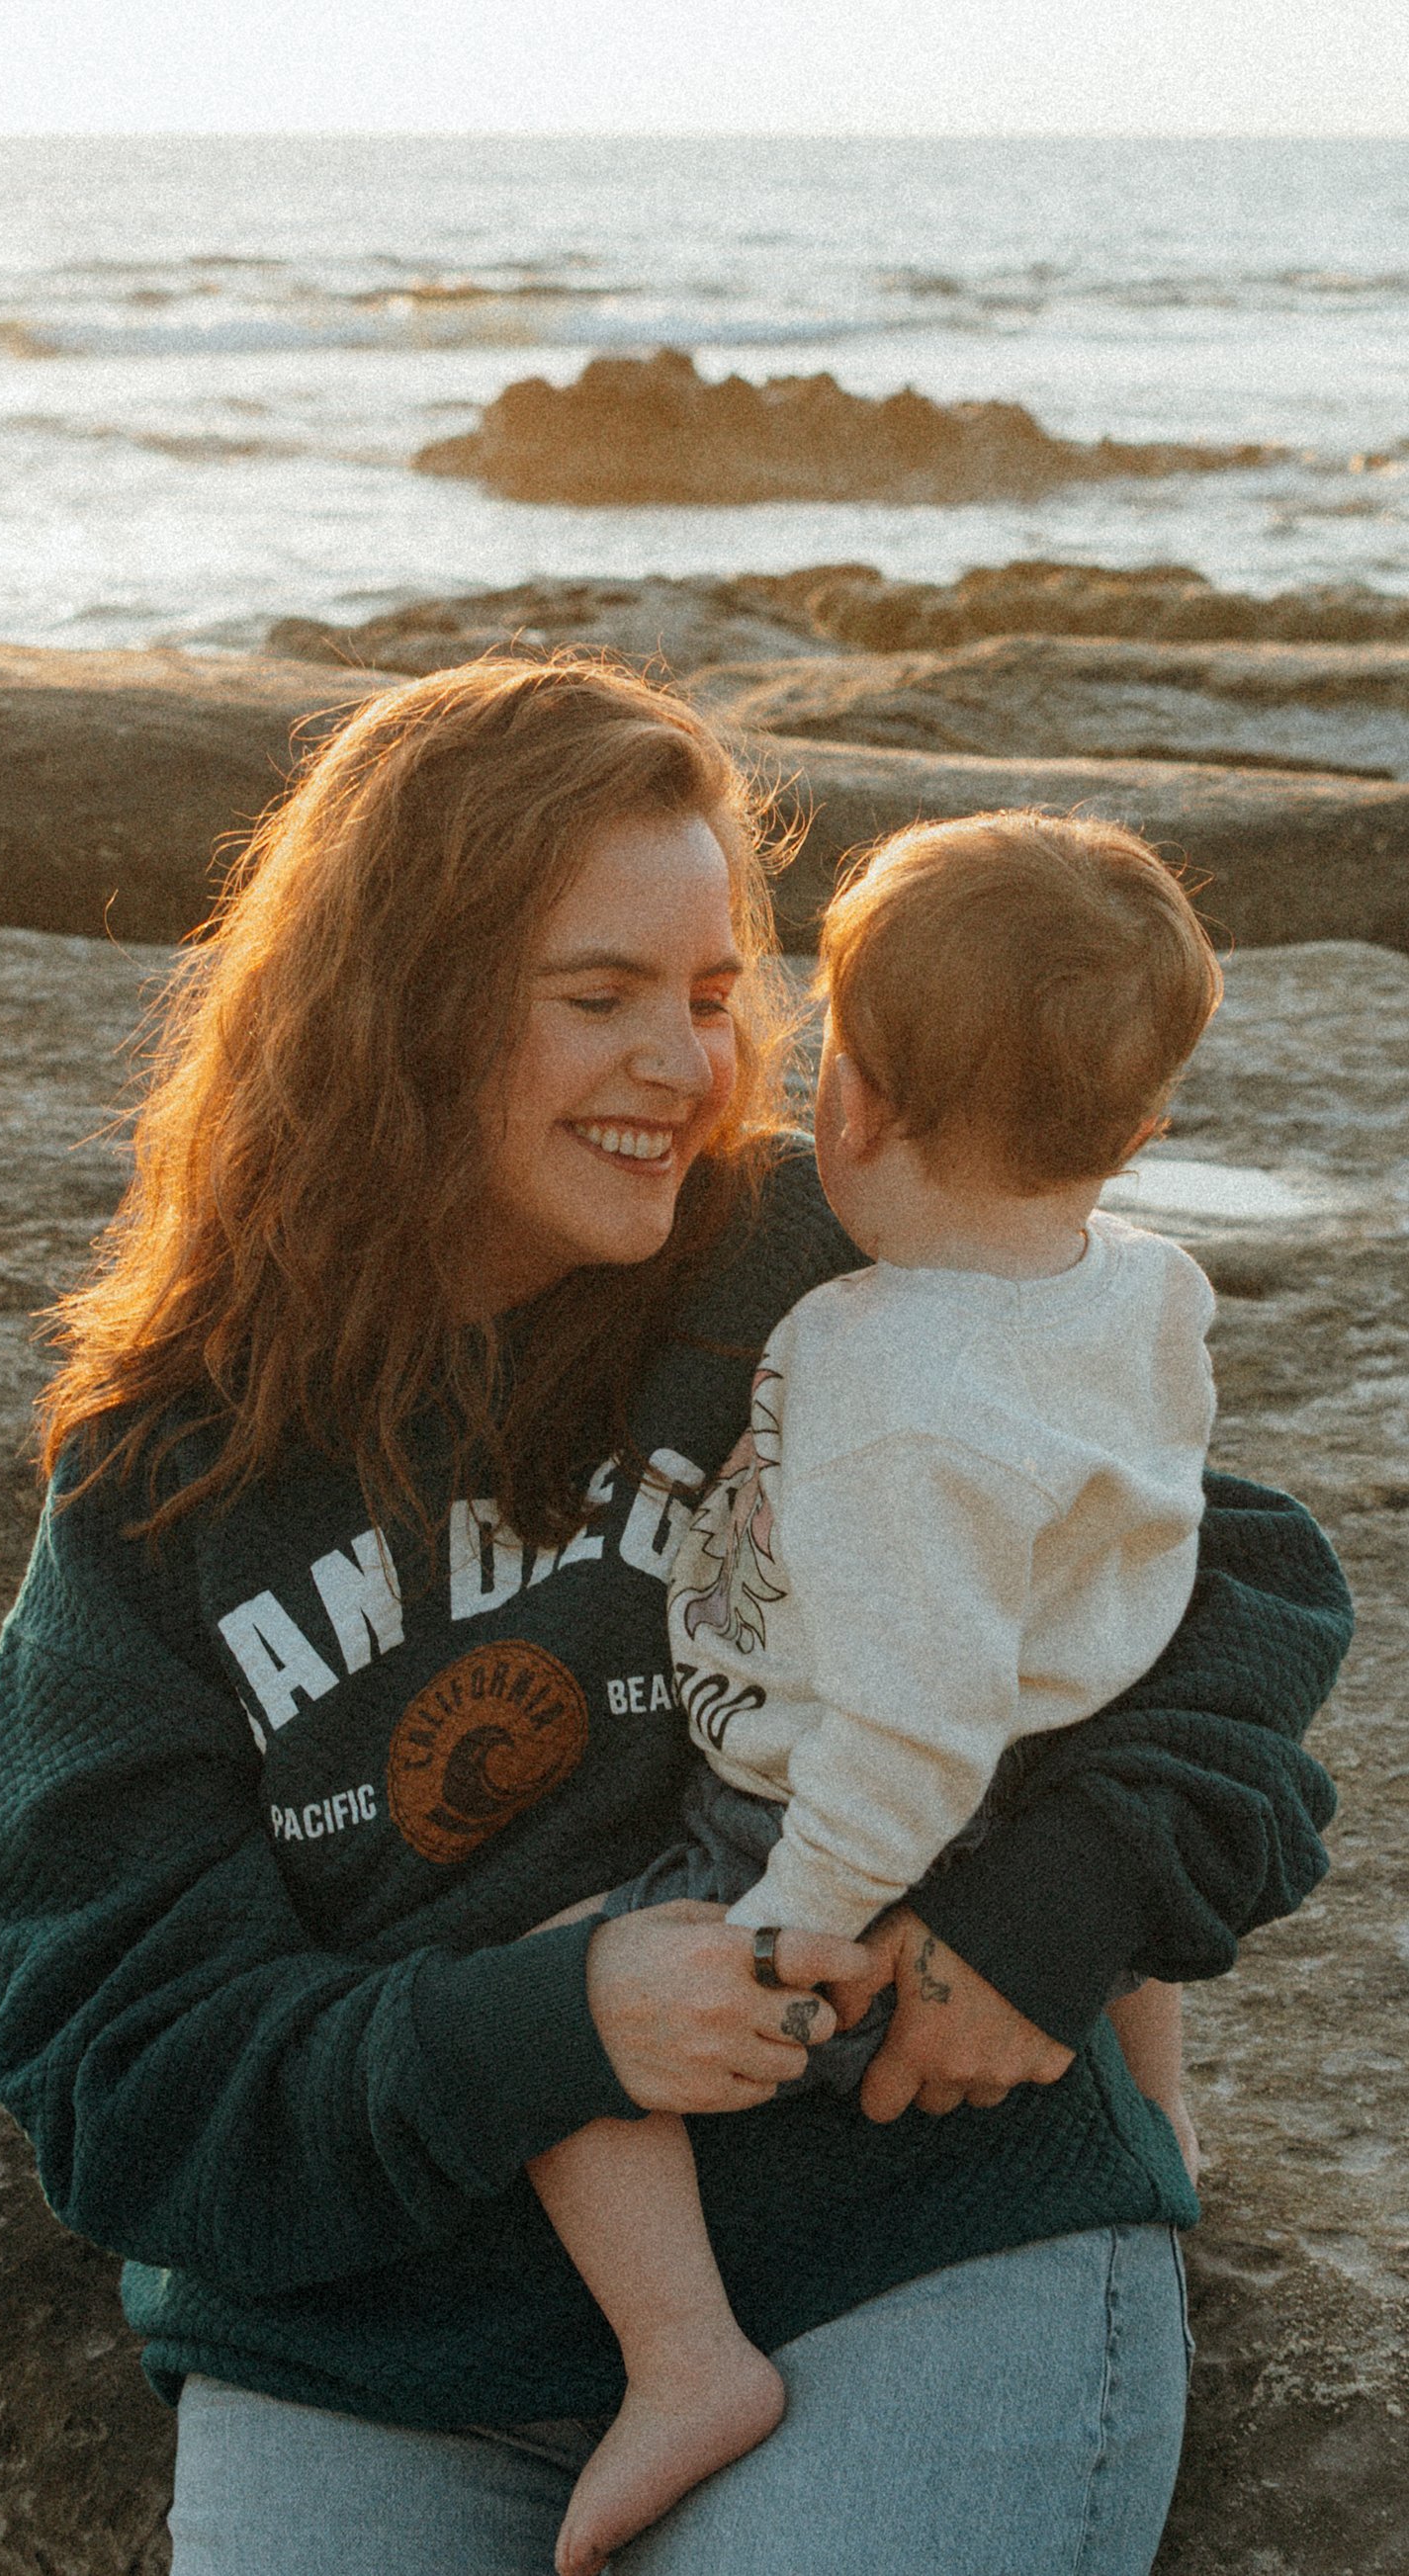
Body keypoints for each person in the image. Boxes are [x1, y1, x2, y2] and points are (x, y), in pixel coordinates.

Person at [0, 658, 1350, 2576]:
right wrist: (557, 2023)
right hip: (379, 2348)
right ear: (398, 1010)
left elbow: (1230, 1580)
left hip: (901, 2244)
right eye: (598, 995)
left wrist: (1045, 1916)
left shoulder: (813, 1255)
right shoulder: (169, 1472)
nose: (691, 1069)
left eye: (711, 997)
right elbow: (120, 2076)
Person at [523, 814, 1222, 2576]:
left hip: (831, 1813)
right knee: (1092, 1836)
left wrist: (796, 1917)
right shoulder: (1146, 1279)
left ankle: (682, 2358)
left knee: (555, 2002)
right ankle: (1155, 2109)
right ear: (1135, 1126)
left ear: (851, 1101)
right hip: (1060, 1748)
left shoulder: (883, 1374)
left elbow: (908, 1730)